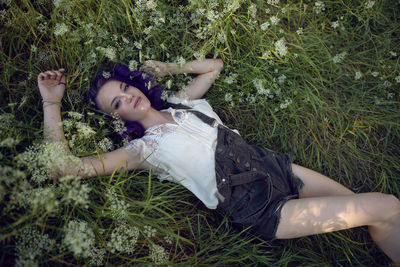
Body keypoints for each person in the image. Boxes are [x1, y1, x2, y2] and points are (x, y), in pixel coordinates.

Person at [38, 59, 400, 264]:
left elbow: (213, 68)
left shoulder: (184, 104)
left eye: (125, 89)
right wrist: (51, 103)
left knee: (375, 211)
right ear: (117, 120)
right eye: (116, 103)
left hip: (277, 168)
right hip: (261, 208)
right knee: (384, 206)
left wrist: (166, 69)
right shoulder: (142, 151)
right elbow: (64, 168)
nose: (127, 98)